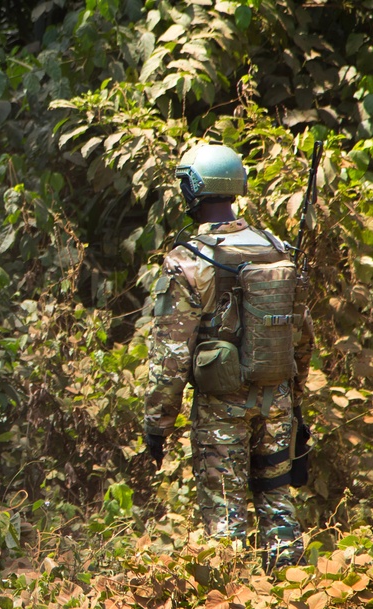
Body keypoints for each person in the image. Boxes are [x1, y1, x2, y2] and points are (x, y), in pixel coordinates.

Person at [143, 143, 314, 570]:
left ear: (195, 188)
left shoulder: (186, 261)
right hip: (276, 399)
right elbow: (301, 334)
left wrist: (157, 424)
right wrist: (294, 397)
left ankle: (235, 593)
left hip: (222, 408)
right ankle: (292, 589)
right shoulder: (275, 248)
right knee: (279, 508)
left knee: (226, 520)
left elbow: (170, 355)